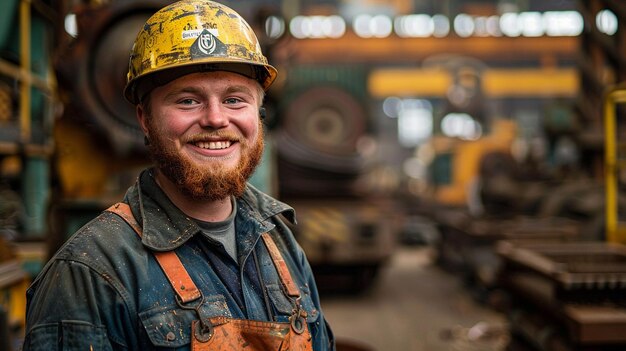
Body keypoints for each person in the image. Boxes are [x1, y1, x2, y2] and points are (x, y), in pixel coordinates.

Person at [22, 0, 335, 350]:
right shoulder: (90, 273)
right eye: (187, 101)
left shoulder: (279, 242)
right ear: (144, 118)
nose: (216, 119)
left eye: (235, 100)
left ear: (258, 113)